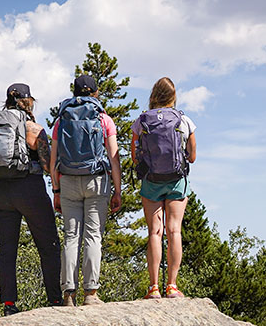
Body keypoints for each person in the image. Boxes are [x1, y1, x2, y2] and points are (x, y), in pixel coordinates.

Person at [0, 82, 63, 314]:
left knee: (7, 248)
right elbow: (48, 165)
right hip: (29, 188)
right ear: (28, 101)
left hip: (0, 190)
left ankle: (9, 304)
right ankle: (55, 300)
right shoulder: (33, 128)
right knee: (48, 244)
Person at [51, 74, 123, 305]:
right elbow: (114, 157)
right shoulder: (103, 119)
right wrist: (117, 190)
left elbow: (53, 159)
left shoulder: (62, 119)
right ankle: (91, 293)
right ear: (95, 92)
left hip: (69, 180)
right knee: (93, 235)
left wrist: (56, 190)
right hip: (97, 181)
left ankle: (68, 294)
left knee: (71, 237)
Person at [130, 77, 196, 299]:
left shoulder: (141, 121)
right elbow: (193, 156)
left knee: (154, 232)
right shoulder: (184, 120)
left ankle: (154, 287)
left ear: (153, 95)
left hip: (151, 182)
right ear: (173, 96)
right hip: (177, 180)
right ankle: (172, 286)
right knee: (174, 230)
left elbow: (134, 156)